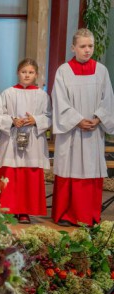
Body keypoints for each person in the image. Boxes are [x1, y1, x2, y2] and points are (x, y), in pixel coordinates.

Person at [51, 28, 114, 226]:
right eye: (83, 46)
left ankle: (89, 215)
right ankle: (66, 214)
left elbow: (108, 100)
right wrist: (77, 119)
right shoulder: (64, 71)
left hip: (93, 131)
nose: (87, 50)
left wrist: (99, 118)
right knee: (69, 168)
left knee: (90, 170)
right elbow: (59, 100)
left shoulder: (101, 70)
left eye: (90, 46)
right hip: (72, 131)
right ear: (73, 47)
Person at [0, 58, 51, 223]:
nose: (27, 75)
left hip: (33, 139)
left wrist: (36, 120)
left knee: (29, 174)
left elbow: (49, 116)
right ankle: (8, 209)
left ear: (36, 74)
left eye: (31, 72)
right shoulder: (8, 93)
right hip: (11, 138)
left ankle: (25, 211)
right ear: (17, 73)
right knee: (10, 173)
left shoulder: (42, 95)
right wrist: (12, 120)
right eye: (24, 72)